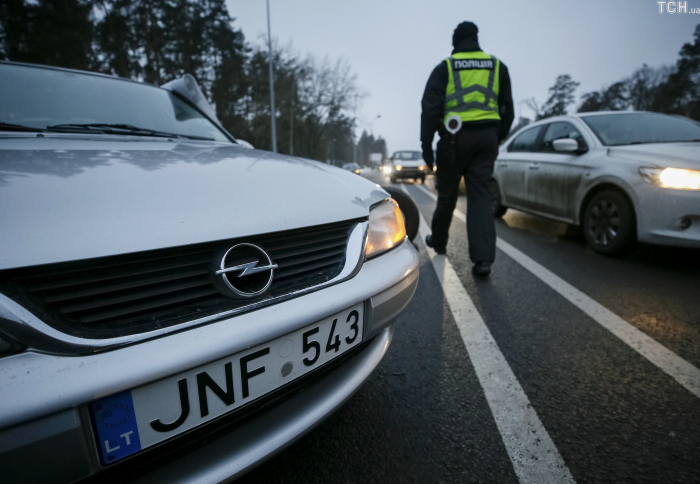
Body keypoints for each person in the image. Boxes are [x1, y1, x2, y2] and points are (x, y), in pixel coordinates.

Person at [421, 21, 514, 277]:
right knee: (481, 196)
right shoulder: (497, 66)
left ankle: (438, 242)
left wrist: (426, 148)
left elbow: (429, 109)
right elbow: (508, 107)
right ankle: (483, 261)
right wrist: (497, 136)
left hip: (453, 140)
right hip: (486, 138)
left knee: (448, 194)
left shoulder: (446, 67)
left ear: (455, 41)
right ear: (476, 39)